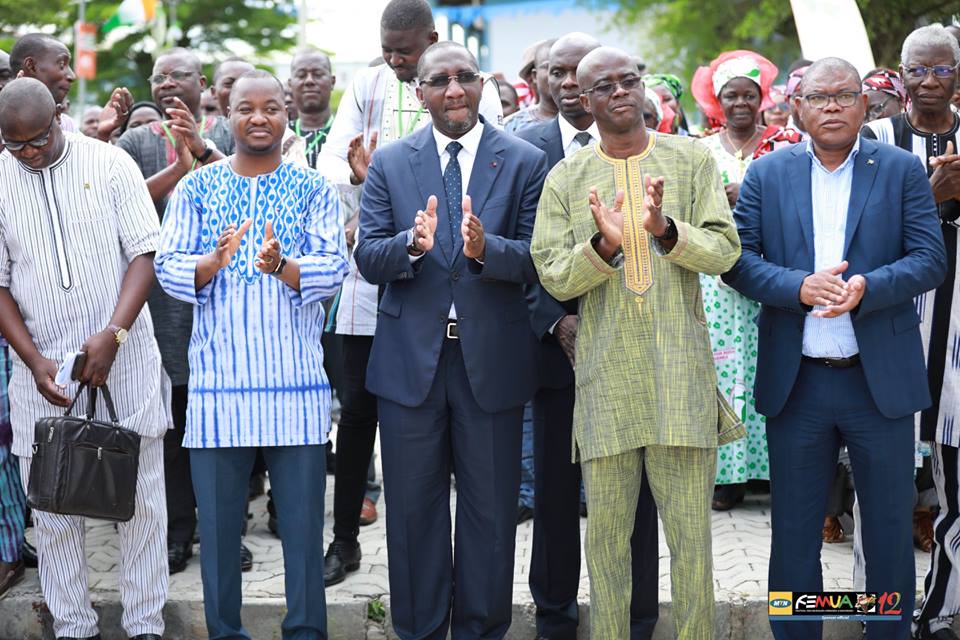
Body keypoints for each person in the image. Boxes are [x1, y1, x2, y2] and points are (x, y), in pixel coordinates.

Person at [723, 56, 948, 640]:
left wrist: (868, 288)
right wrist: (796, 287)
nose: (831, 106)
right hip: (799, 383)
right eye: (818, 97)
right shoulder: (768, 175)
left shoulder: (898, 170)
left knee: (889, 529)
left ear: (864, 104)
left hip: (879, 385)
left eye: (844, 95)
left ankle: (884, 633)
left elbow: (930, 259)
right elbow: (739, 262)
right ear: (796, 107)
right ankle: (801, 634)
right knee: (796, 532)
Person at [531, 46, 743, 640]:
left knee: (692, 544)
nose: (619, 92)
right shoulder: (567, 178)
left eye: (629, 81)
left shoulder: (690, 159)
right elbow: (552, 273)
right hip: (605, 381)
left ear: (643, 88)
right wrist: (605, 247)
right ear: (584, 98)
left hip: (681, 374)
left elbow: (725, 251)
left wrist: (662, 229)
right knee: (605, 543)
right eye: (605, 86)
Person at [354, 40, 546, 640]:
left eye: (464, 77)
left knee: (491, 515)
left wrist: (486, 249)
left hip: (490, 363)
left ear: (483, 83)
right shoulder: (390, 162)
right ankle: (418, 629)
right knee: (414, 513)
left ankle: (482, 630)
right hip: (411, 365)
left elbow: (539, 259)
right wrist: (411, 245)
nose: (454, 89)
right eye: (440, 80)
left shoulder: (522, 159)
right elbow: (368, 257)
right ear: (420, 92)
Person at [315, 0, 504, 587]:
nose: (396, 61)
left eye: (406, 50)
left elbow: (488, 161)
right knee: (360, 416)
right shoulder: (366, 83)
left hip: (452, 295)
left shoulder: (468, 83)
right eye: (389, 49)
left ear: (433, 39)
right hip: (375, 284)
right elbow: (329, 162)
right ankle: (344, 539)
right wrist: (359, 177)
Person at [155, 70, 348, 640]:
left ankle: (307, 631)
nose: (258, 117)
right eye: (245, 108)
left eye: (270, 108)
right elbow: (167, 264)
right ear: (225, 114)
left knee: (303, 531)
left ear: (286, 113)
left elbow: (334, 267)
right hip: (218, 390)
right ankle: (225, 632)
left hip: (296, 387)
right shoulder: (197, 188)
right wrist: (209, 265)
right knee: (216, 536)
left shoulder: (313, 189)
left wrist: (282, 267)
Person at [0, 77, 171, 640]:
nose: (30, 152)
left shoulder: (112, 162)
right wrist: (31, 360)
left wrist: (113, 335)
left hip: (125, 358)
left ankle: (145, 623)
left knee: (141, 495)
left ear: (58, 119)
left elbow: (144, 253)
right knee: (51, 505)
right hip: (43, 372)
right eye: (15, 144)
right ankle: (74, 626)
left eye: (39, 140)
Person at [517, 33, 660, 640]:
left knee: (637, 495)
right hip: (555, 351)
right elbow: (518, 258)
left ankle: (636, 615)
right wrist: (555, 320)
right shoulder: (522, 151)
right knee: (553, 490)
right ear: (543, 79)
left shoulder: (655, 149)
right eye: (560, 70)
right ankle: (555, 615)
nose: (572, 80)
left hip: (634, 348)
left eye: (585, 70)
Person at [116, 47, 239, 576]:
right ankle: (177, 531)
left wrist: (201, 150)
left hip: (223, 297)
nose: (168, 83)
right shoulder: (134, 142)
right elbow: (122, 211)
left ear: (203, 82)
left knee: (220, 427)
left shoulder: (231, 135)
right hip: (161, 304)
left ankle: (222, 534)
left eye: (179, 75)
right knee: (171, 428)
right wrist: (176, 167)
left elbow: (245, 198)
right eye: (158, 77)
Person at [862, 24, 960, 640]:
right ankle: (879, 617)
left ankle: (940, 612)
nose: (927, 82)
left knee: (955, 489)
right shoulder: (876, 140)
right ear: (899, 75)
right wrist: (932, 194)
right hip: (891, 335)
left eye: (941, 70)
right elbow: (863, 233)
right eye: (916, 70)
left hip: (955, 346)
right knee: (880, 491)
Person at [691, 50, 779, 511]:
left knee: (769, 366)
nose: (741, 103)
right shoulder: (701, 150)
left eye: (750, 94)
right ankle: (728, 477)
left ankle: (770, 469)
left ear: (763, 97)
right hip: (717, 282)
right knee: (723, 370)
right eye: (732, 95)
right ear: (716, 101)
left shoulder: (783, 145)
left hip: (772, 275)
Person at [9, 34, 77, 133]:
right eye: (62, 65)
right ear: (31, 66)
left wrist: (103, 135)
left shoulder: (67, 125)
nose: (72, 76)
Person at [288, 48, 335, 169]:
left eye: (318, 74)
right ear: (290, 84)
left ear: (332, 82)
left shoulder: (348, 132)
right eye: (301, 75)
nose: (309, 81)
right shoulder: (280, 135)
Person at [505, 38, 558, 134]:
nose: (557, 75)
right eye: (549, 67)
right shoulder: (512, 126)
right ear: (533, 76)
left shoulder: (589, 119)